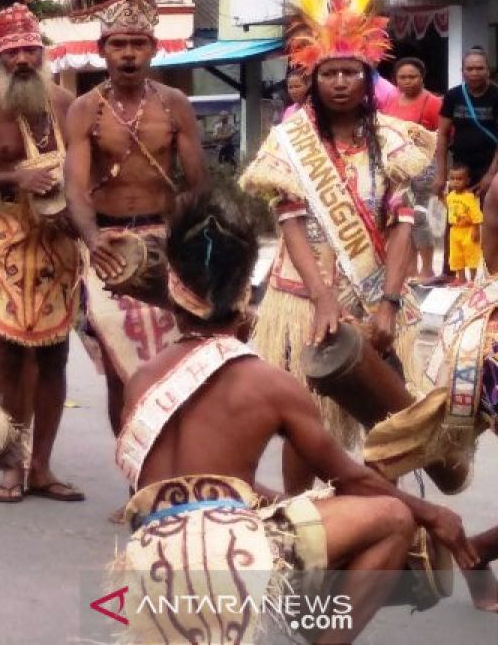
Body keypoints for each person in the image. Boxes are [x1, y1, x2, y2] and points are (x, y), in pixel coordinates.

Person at [114, 190, 477, 644]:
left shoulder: (141, 379)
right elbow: (354, 482)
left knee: (284, 513)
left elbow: (182, 491)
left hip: (152, 559)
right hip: (226, 557)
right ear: (246, 289)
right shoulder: (269, 384)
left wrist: (275, 502)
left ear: (173, 284)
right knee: (391, 517)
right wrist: (431, 513)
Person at [240, 0, 434, 493]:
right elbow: (292, 222)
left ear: (366, 77)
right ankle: (302, 531)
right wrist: (324, 299)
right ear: (314, 80)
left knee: (384, 426)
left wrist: (390, 304)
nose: (342, 81)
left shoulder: (396, 141)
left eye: (351, 71)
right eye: (330, 73)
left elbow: (404, 223)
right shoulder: (289, 142)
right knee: (307, 424)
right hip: (304, 299)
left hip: (376, 292)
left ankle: (386, 531)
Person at [62, 0, 208, 435]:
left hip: (165, 244)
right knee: (122, 374)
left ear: (153, 49)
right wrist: (93, 238)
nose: (128, 53)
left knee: (176, 365)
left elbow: (195, 185)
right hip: (109, 247)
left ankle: (177, 464)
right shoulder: (84, 110)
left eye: (137, 44)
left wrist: (189, 244)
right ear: (102, 49)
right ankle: (136, 472)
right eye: (118, 44)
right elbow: (75, 188)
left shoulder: (175, 106)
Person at [0, 0, 84, 504]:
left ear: (43, 53)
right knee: (4, 357)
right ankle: (10, 464)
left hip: (58, 244)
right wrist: (18, 179)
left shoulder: (66, 103)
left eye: (31, 49)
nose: (25, 58)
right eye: (14, 52)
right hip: (3, 235)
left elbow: (83, 174)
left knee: (55, 358)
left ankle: (43, 468)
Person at [382, 56, 442, 281]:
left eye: (412, 76)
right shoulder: (391, 103)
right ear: (395, 79)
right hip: (398, 170)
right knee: (401, 220)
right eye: (402, 77)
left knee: (419, 218)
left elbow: (444, 137)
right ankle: (410, 269)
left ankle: (427, 269)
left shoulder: (434, 103)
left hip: (424, 169)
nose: (407, 81)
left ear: (422, 77)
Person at [434, 48, 498, 196]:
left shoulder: (496, 96)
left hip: (490, 166)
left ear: (488, 70)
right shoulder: (453, 95)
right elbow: (443, 134)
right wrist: (441, 173)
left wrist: (490, 176)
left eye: (480, 68)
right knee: (459, 213)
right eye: (469, 68)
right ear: (462, 71)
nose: (474, 73)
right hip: (460, 169)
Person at [446, 165, 484, 282]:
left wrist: (476, 229)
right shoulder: (450, 196)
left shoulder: (469, 197)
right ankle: (461, 278)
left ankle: (472, 279)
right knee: (456, 256)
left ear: (467, 181)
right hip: (455, 230)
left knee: (471, 255)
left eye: (459, 179)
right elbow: (449, 208)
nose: (456, 182)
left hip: (468, 230)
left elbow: (476, 214)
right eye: (453, 179)